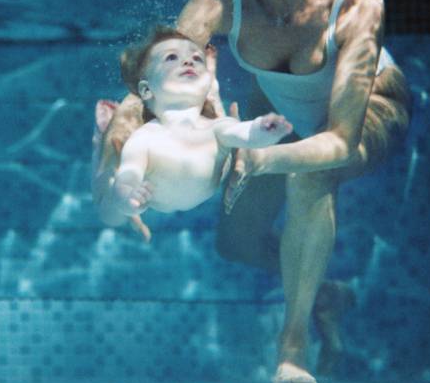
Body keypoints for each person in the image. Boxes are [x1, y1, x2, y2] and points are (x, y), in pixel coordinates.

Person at [94, 0, 411, 383]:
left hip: (370, 107)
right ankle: (325, 296)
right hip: (275, 112)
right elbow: (156, 77)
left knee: (311, 175)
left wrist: (261, 160)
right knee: (236, 242)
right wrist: (118, 148)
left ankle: (293, 345)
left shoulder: (357, 0)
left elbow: (340, 141)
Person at [95, 28, 292, 239]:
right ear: (146, 90)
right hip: (155, 201)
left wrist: (265, 129)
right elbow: (127, 177)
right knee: (111, 216)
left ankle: (212, 88)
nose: (189, 61)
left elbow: (246, 133)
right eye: (171, 57)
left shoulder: (217, 128)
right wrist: (129, 200)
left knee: (221, 118)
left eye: (197, 58)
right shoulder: (144, 139)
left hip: (211, 156)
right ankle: (100, 140)